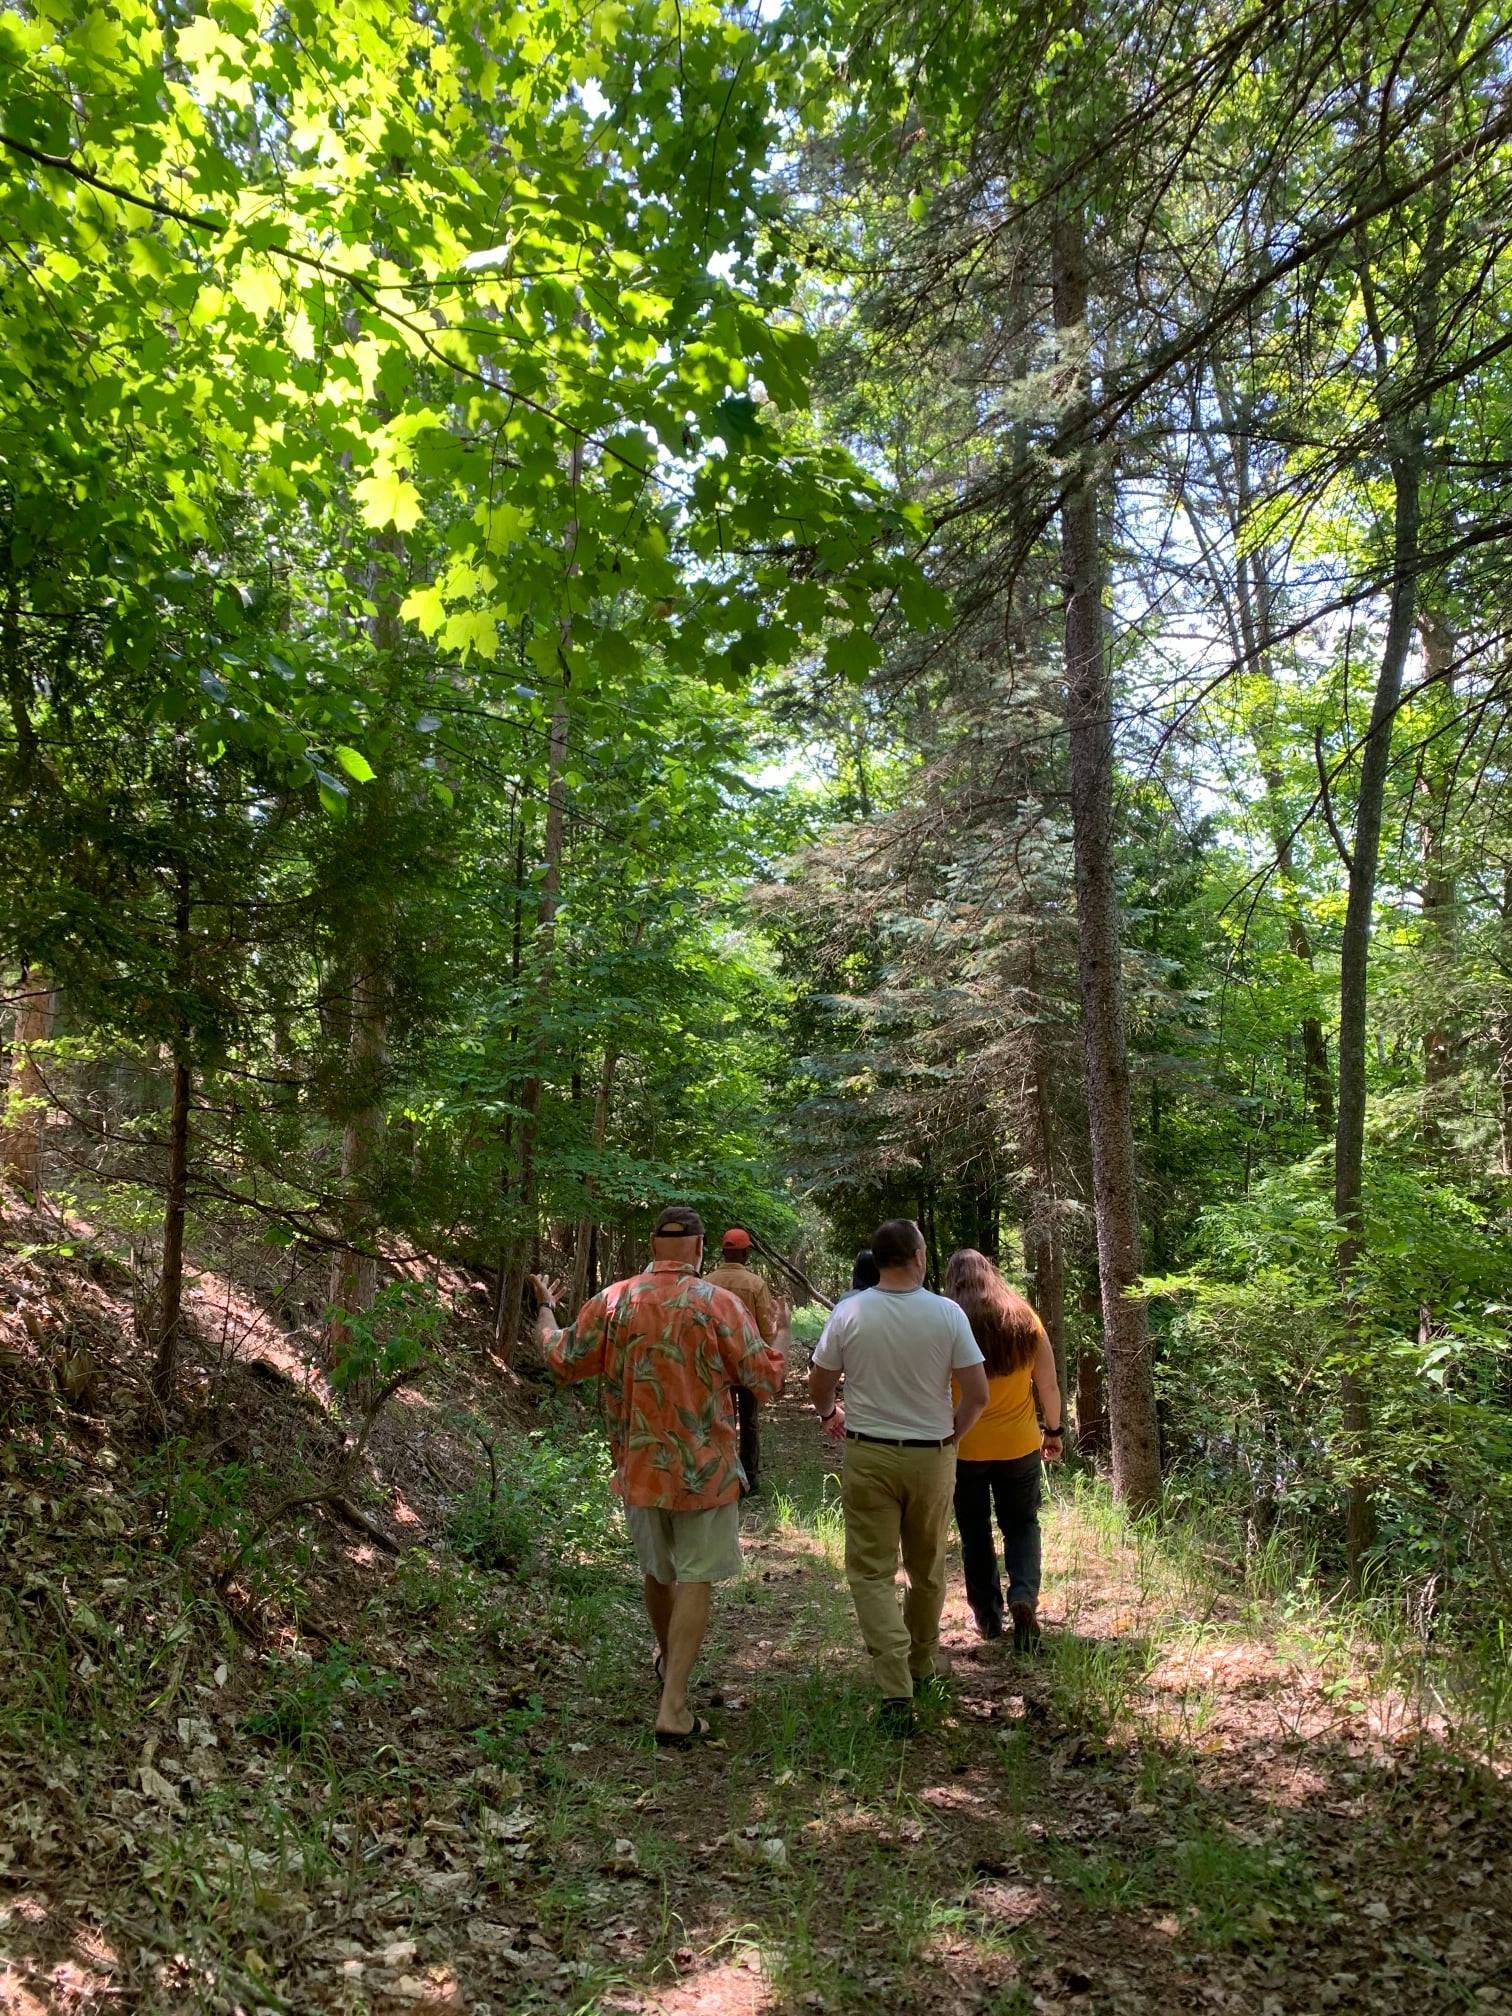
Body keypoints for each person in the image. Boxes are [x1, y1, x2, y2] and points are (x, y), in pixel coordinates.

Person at [531, 1205, 785, 1748]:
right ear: (698, 1249)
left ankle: (671, 1667)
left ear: (653, 1243)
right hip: (706, 1470)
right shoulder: (720, 1303)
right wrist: (781, 1339)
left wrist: (546, 1310)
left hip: (641, 1465)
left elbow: (561, 1357)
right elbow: (765, 1379)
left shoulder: (615, 1300)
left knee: (658, 1570)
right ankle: (673, 1703)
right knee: (695, 1575)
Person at [807, 1218, 988, 1734]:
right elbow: (977, 1393)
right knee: (928, 1566)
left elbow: (821, 1381)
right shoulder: (946, 1314)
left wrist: (828, 1414)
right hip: (931, 1456)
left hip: (869, 1455)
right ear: (916, 1256)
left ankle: (894, 1689)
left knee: (870, 1571)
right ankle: (920, 1664)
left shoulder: (850, 1312)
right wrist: (950, 1435)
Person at [942, 1249, 1064, 1651]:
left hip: (965, 1446)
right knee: (1022, 1524)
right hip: (1019, 1445)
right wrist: (1054, 1430)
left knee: (975, 1532)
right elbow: (1047, 1385)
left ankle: (989, 1617)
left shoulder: (949, 1321)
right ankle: (1024, 1597)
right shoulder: (1024, 1318)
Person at [704, 1227, 780, 1495]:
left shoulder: (707, 1282)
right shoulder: (756, 1284)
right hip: (748, 1361)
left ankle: (722, 1475)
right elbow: (766, 1328)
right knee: (749, 1421)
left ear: (724, 1252)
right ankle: (750, 1478)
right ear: (746, 1254)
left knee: (720, 1420)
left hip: (716, 1363)